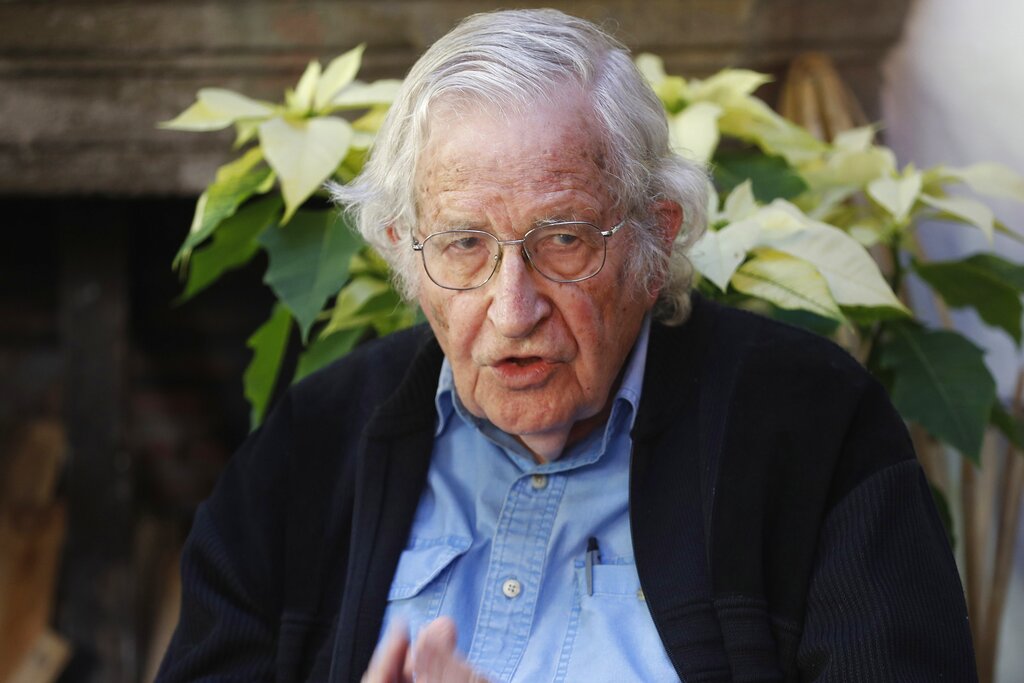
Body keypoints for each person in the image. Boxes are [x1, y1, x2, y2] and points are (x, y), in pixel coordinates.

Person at [157, 9, 977, 682]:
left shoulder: (816, 427)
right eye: (464, 245)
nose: (513, 310)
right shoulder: (308, 451)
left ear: (654, 242)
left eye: (562, 240)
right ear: (406, 251)